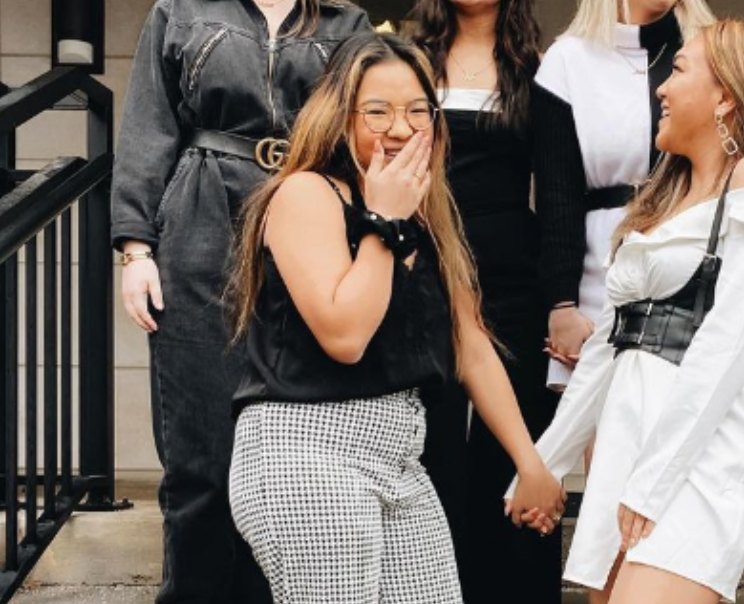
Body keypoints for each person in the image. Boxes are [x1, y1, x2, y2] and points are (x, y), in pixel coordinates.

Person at [110, 0, 370, 604]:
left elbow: (358, 148)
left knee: (290, 460)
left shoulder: (345, 22)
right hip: (196, 227)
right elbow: (149, 127)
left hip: (305, 231)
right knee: (200, 464)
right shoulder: (182, 8)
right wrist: (135, 249)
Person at [226, 31, 564, 604]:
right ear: (340, 116)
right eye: (377, 112)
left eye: (417, 112)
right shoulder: (305, 195)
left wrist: (530, 461)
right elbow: (345, 335)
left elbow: (471, 345)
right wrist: (385, 222)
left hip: (399, 457)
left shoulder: (425, 219)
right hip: (307, 449)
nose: (402, 129)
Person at [509, 19, 744, 604]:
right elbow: (608, 345)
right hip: (631, 441)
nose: (661, 87)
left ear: (726, 94)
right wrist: (545, 463)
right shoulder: (667, 195)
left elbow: (729, 343)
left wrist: (654, 483)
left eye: (679, 71)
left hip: (705, 455)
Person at [408, 0, 562, 604]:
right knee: (429, 447)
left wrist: (562, 301)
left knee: (515, 448)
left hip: (510, 282)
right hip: (415, 276)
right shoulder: (404, 63)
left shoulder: (542, 72)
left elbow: (560, 199)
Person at [534, 0, 716, 389]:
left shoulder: (711, 55)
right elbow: (556, 197)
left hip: (691, 275)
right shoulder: (565, 61)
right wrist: (562, 306)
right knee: (606, 457)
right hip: (599, 284)